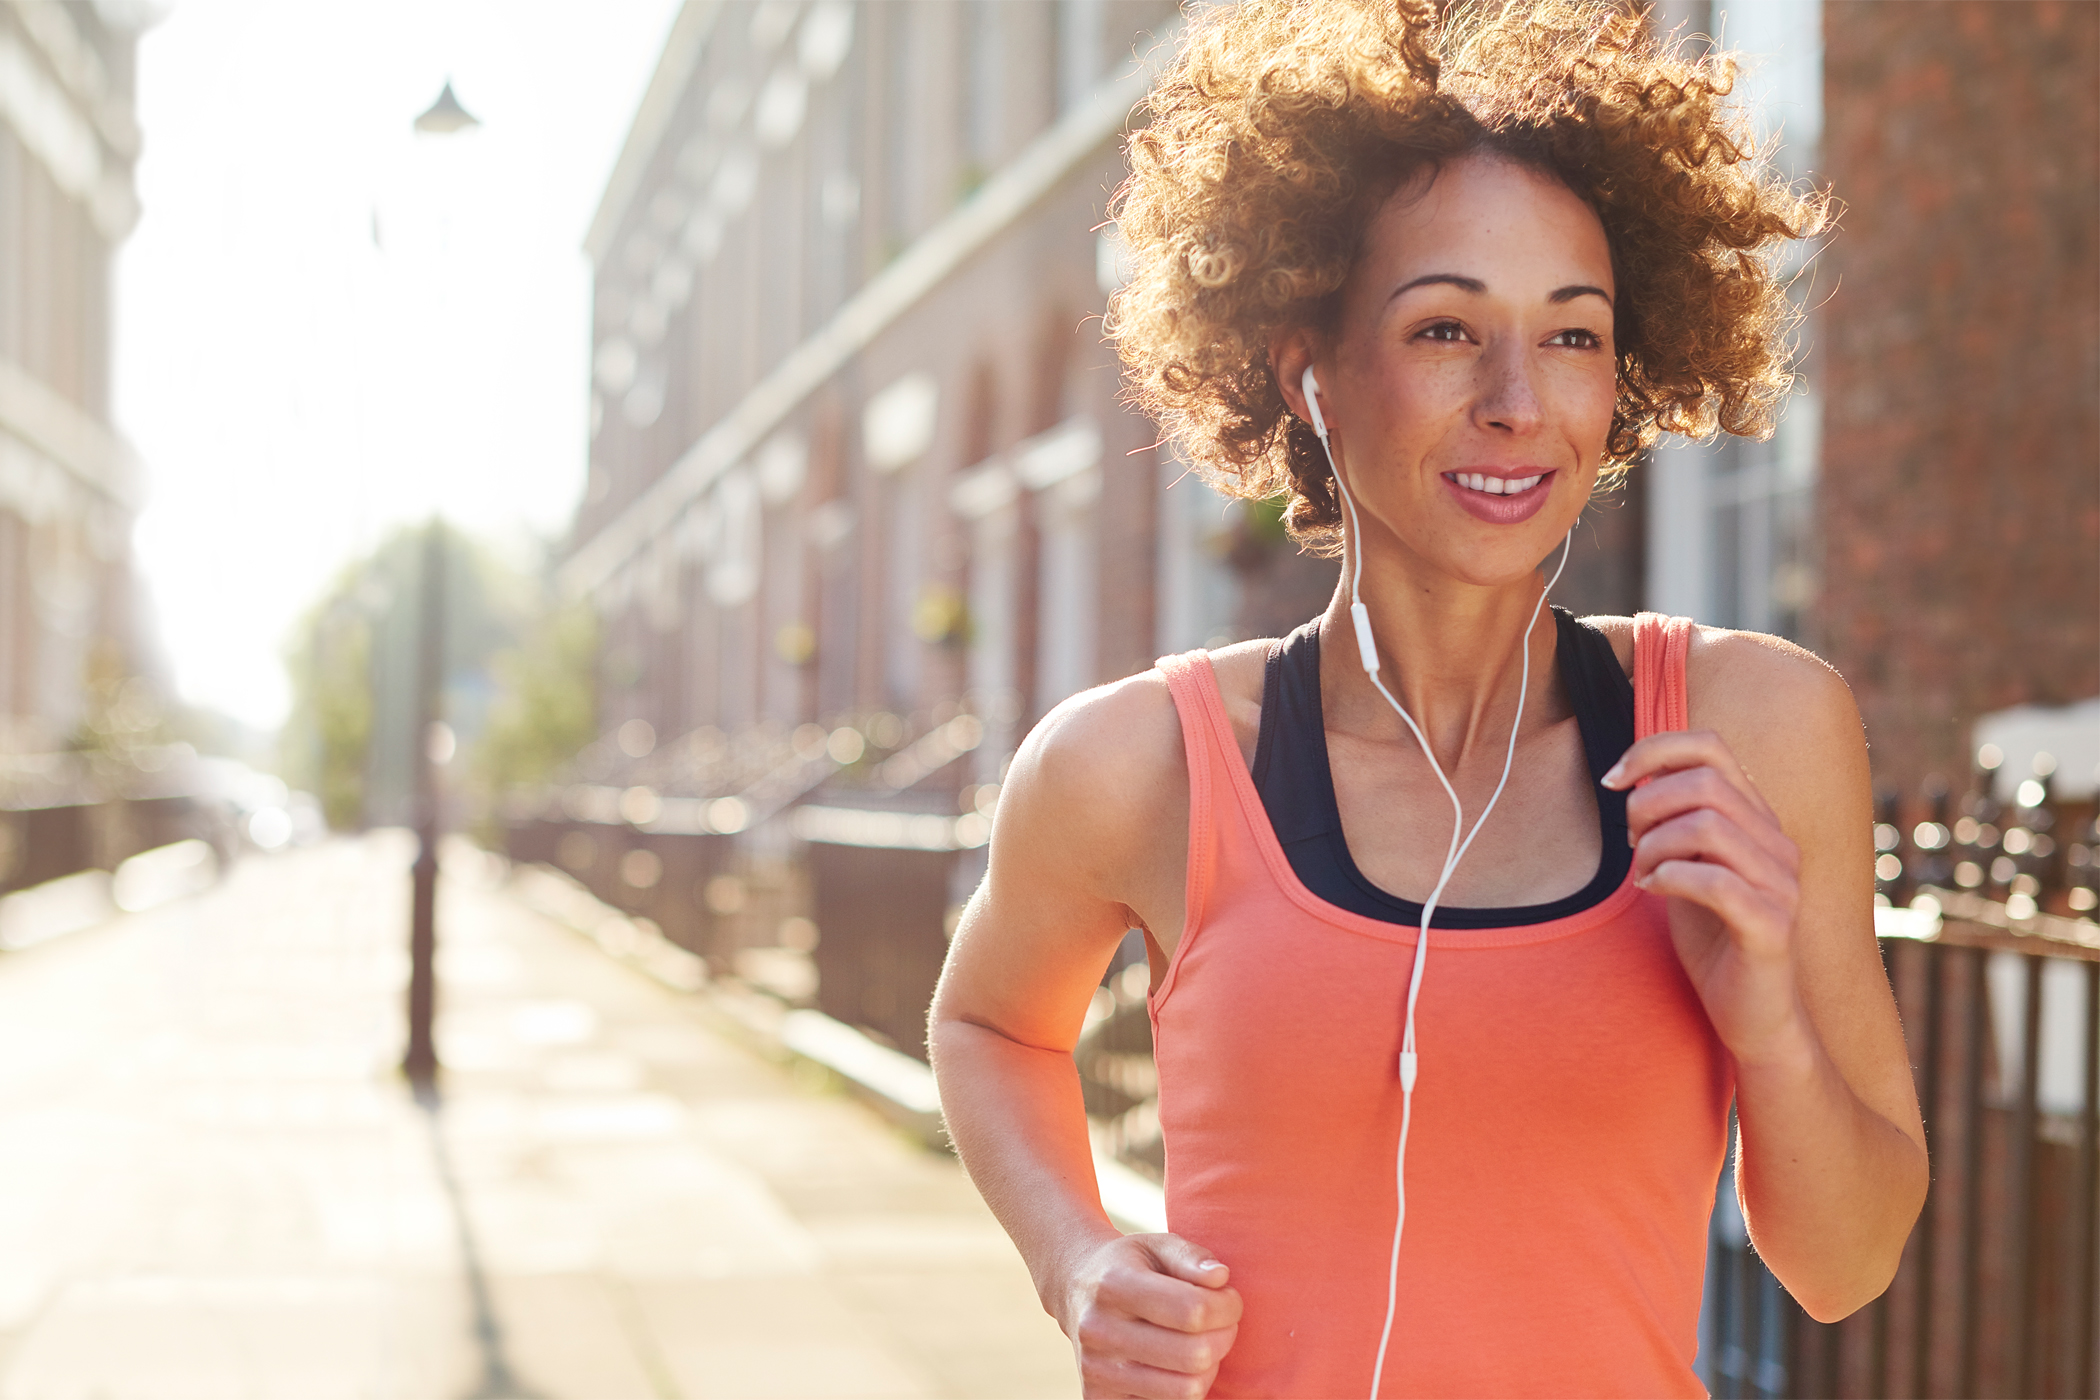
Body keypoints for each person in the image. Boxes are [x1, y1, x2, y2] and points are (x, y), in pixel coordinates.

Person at [928, 2, 1928, 1395]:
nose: (1519, 401)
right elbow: (988, 1026)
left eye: (1573, 337)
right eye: (1447, 328)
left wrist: (1768, 1018)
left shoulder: (1750, 729)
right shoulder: (1142, 764)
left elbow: (1846, 1264)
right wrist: (1078, 1260)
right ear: (1311, 371)